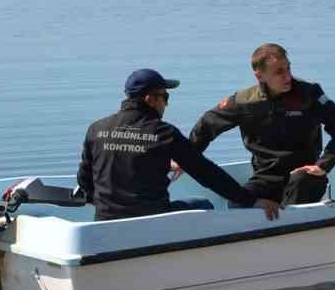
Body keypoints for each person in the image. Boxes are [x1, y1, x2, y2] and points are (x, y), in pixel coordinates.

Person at [78, 67, 280, 222]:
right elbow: (207, 174)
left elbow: (85, 180)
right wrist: (250, 200)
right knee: (204, 204)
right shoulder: (163, 133)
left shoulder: (97, 129)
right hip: (152, 221)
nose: (166, 104)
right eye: (165, 97)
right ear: (150, 100)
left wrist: (164, 163)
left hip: (105, 220)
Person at [187, 43, 335, 207]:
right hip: (266, 178)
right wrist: (186, 156)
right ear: (260, 76)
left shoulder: (309, 93)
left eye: (288, 68)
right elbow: (207, 124)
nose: (288, 76)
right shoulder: (245, 101)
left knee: (297, 195)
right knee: (237, 205)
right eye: (279, 72)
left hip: (305, 174)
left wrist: (322, 166)